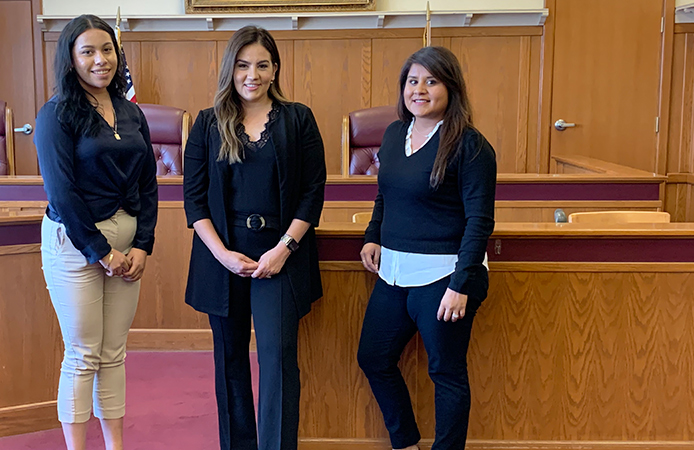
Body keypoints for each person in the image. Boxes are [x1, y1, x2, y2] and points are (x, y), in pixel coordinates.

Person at [182, 25, 326, 450]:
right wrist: (223, 254)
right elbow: (194, 200)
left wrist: (285, 248)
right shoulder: (208, 123)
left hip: (281, 255)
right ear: (230, 69)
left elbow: (312, 192)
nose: (253, 74)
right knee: (230, 363)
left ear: (275, 69)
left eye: (262, 64)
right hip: (222, 255)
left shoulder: (298, 118)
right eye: (243, 65)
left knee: (278, 360)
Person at [356, 46, 497, 450]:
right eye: (412, 81)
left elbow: (480, 221)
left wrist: (462, 283)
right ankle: (405, 442)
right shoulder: (394, 133)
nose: (419, 90)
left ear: (451, 87)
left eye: (431, 81)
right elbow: (385, 195)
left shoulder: (470, 145)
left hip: (445, 276)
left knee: (445, 372)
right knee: (374, 357)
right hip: (394, 271)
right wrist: (372, 235)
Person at [34, 14, 158, 450]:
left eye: (107, 50)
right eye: (87, 51)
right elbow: (62, 193)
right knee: (83, 354)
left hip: (128, 245)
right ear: (70, 59)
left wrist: (144, 244)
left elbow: (148, 182)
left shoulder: (130, 110)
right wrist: (102, 252)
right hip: (78, 245)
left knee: (113, 353)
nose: (100, 60)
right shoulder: (56, 114)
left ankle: (115, 446)